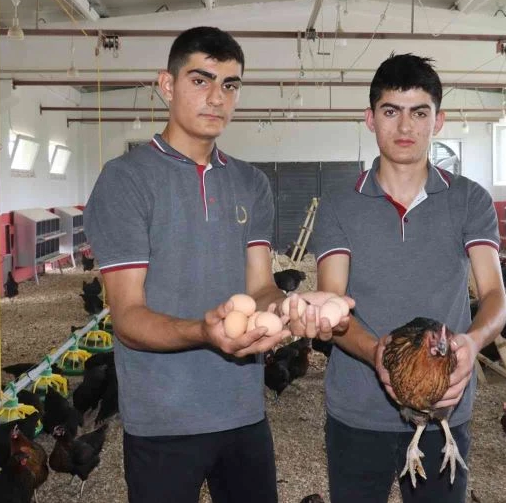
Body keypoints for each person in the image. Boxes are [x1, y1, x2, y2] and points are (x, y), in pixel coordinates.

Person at [84, 27, 347, 503]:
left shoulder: (251, 183)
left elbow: (260, 287)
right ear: (167, 85)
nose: (216, 97)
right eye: (200, 80)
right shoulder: (125, 181)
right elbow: (127, 317)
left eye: (230, 84)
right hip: (161, 420)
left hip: (242, 411)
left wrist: (290, 307)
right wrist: (204, 332)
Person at [309, 53, 506, 503]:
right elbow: (332, 303)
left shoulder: (469, 199)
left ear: (438, 121)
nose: (405, 127)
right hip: (358, 409)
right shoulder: (340, 204)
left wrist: (472, 342)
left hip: (444, 404)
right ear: (370, 119)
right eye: (391, 111)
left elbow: (495, 295)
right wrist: (375, 353)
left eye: (419, 113)